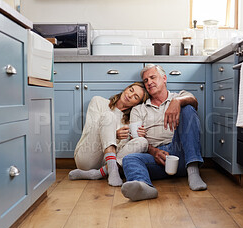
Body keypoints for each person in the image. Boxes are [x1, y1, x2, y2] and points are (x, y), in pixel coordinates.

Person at [120, 64, 207, 201]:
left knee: (188, 108)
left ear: (164, 78)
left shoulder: (179, 96)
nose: (149, 82)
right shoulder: (138, 110)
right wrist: (153, 151)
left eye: (152, 77)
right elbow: (136, 140)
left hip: (181, 154)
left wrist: (177, 102)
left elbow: (194, 101)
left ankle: (193, 170)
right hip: (156, 158)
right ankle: (144, 186)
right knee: (129, 159)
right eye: (146, 80)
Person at [69, 82, 149, 187]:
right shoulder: (98, 102)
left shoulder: (131, 121)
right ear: (126, 88)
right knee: (108, 116)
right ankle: (109, 170)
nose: (130, 95)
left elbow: (122, 150)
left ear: (136, 104)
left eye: (135, 97)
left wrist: (135, 137)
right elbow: (91, 130)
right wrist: (115, 135)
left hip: (108, 163)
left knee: (143, 142)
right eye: (131, 90)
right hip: (87, 155)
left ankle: (99, 173)